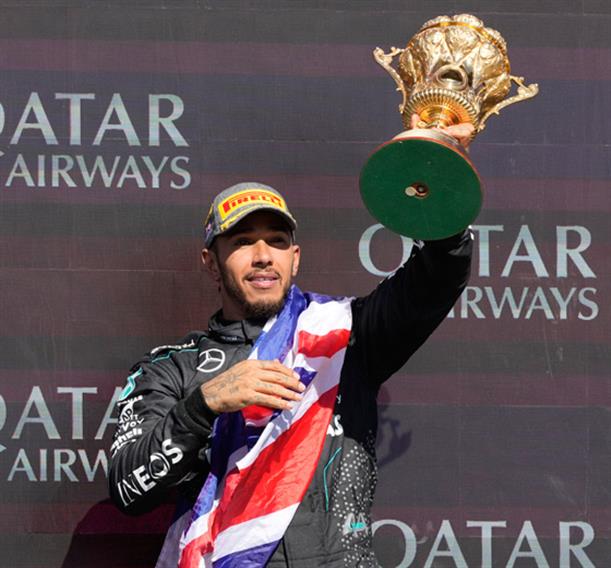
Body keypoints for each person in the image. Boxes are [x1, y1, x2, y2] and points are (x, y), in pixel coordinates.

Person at [109, 119, 474, 567]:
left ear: (294, 258)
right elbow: (129, 489)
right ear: (211, 261)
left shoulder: (347, 333)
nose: (263, 256)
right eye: (243, 241)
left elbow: (436, 278)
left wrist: (435, 169)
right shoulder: (170, 369)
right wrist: (204, 405)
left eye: (277, 241)